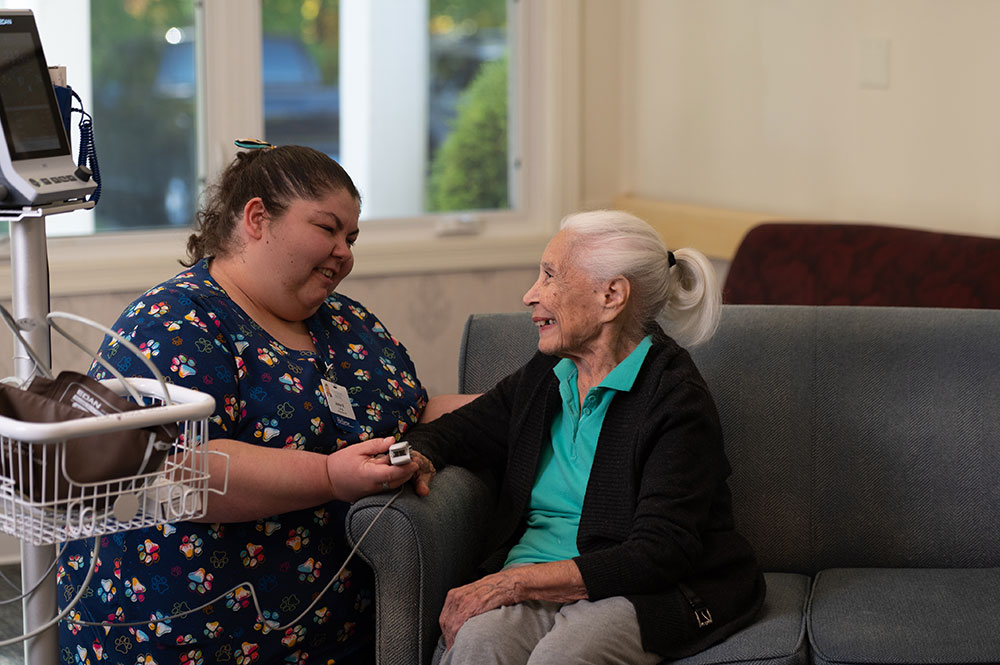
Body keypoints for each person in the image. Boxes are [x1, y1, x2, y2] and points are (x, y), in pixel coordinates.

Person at [58, 144, 457, 665]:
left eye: (352, 237)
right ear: (257, 219)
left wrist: (534, 400)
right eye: (327, 228)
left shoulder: (346, 322)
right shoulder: (173, 322)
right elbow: (172, 472)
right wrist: (329, 477)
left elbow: (415, 413)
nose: (344, 251)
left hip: (338, 630)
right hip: (188, 634)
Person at [405, 210, 766, 664]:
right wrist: (417, 455)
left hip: (637, 590)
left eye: (550, 276)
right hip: (534, 573)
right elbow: (462, 430)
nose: (530, 295)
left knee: (562, 658)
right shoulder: (549, 373)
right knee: (477, 647)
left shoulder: (675, 399)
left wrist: (511, 583)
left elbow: (659, 553)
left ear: (611, 295)